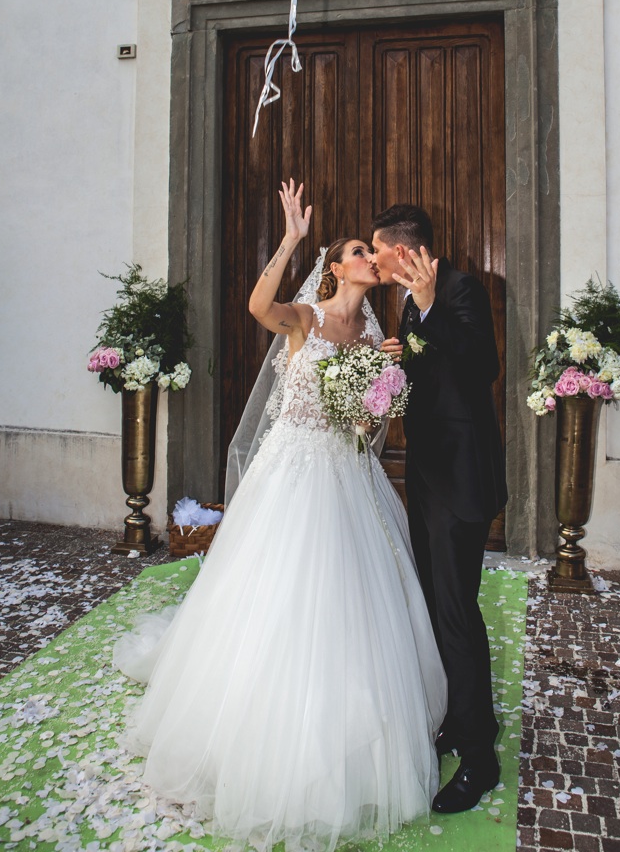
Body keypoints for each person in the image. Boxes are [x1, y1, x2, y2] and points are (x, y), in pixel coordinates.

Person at [114, 181, 446, 852]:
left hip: (345, 475)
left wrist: (379, 398)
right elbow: (256, 305)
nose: (368, 259)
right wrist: (293, 237)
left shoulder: (375, 336)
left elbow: (368, 423)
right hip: (291, 473)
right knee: (274, 597)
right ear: (335, 268)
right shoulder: (305, 317)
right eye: (358, 251)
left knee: (350, 605)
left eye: (367, 252)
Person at [371, 204, 507, 814]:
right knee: (434, 606)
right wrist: (403, 359)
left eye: (378, 251)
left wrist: (430, 312)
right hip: (426, 477)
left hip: (462, 481)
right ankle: (463, 716)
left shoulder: (460, 289)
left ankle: (479, 758)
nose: (374, 261)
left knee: (455, 615)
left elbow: (484, 367)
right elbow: (437, 372)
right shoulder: (408, 300)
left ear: (404, 251)